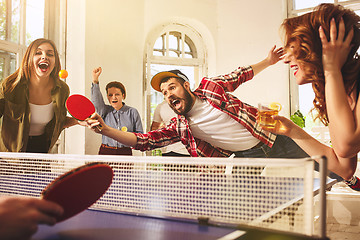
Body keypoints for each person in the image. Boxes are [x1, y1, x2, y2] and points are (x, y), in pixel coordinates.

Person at [83, 46, 319, 163]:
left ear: (186, 86)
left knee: (325, 166)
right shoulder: (180, 126)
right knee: (246, 208)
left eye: (172, 87)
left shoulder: (211, 87)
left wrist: (268, 61)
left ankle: (352, 181)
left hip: (271, 137)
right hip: (246, 157)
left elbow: (240, 75)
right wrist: (105, 130)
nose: (168, 95)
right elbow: (144, 140)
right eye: (164, 93)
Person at [261, 4, 360, 190]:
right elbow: (345, 168)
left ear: (318, 45)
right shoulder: (337, 87)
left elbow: (346, 146)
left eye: (291, 46)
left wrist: (331, 69)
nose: (285, 58)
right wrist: (291, 130)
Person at [0, 38, 77, 153]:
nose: (44, 56)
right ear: (29, 58)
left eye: (50, 54)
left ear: (55, 62)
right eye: (38, 53)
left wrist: (80, 120)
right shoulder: (10, 86)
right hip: (10, 155)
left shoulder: (62, 90)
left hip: (42, 149)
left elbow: (59, 121)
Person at [91, 67, 143, 155]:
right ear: (107, 97)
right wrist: (95, 80)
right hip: (106, 151)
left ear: (123, 95)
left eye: (117, 94)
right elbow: (96, 99)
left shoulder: (132, 112)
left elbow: (140, 135)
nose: (114, 97)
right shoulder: (104, 111)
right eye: (110, 95)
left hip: (125, 152)